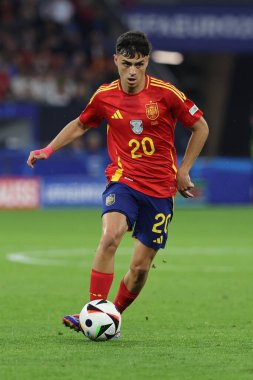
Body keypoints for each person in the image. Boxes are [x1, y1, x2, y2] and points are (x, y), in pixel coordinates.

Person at [27, 31, 209, 337]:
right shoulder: (104, 96)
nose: (133, 71)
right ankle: (95, 309)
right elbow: (80, 124)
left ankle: (112, 316)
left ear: (147, 61)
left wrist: (184, 171)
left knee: (139, 270)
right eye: (126, 64)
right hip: (123, 179)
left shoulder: (167, 94)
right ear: (116, 61)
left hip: (161, 190)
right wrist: (48, 149)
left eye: (139, 64)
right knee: (111, 235)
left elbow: (201, 127)